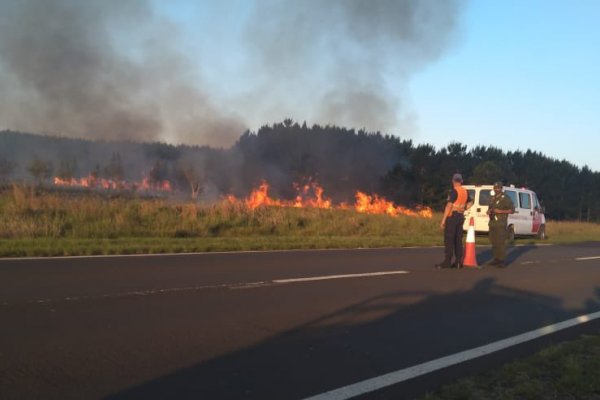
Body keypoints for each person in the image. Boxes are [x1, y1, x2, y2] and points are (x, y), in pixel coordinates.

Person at [435, 173, 473, 269]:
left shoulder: (454, 191)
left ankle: (447, 262)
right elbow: (471, 202)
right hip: (460, 217)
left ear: (453, 181)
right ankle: (458, 262)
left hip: (452, 217)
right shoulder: (465, 191)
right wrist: (464, 208)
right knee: (458, 240)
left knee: (449, 239)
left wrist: (443, 220)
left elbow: (449, 205)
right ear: (461, 181)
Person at [487, 181, 515, 267]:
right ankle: (496, 258)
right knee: (494, 241)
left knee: (500, 242)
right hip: (492, 223)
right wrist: (489, 211)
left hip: (501, 223)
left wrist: (500, 211)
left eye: (498, 188)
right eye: (495, 188)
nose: (496, 190)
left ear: (501, 188)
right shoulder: (492, 198)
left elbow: (512, 210)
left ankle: (502, 260)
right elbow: (490, 208)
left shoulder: (505, 198)